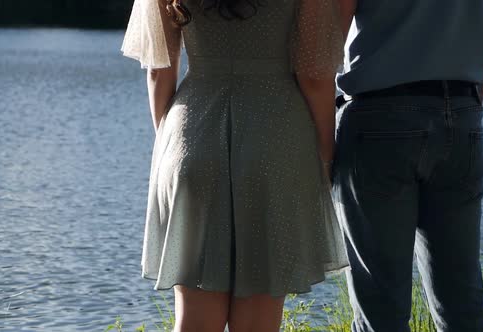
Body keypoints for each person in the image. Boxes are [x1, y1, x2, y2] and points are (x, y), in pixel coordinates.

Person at [121, 0, 349, 331]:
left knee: (195, 321)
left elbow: (158, 69)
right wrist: (326, 156)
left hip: (192, 134)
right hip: (276, 140)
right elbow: (314, 75)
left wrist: (170, 145)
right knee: (259, 321)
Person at [332, 0, 483, 331]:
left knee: (381, 308)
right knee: (462, 304)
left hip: (377, 119)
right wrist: (463, 105)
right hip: (462, 117)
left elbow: (323, 43)